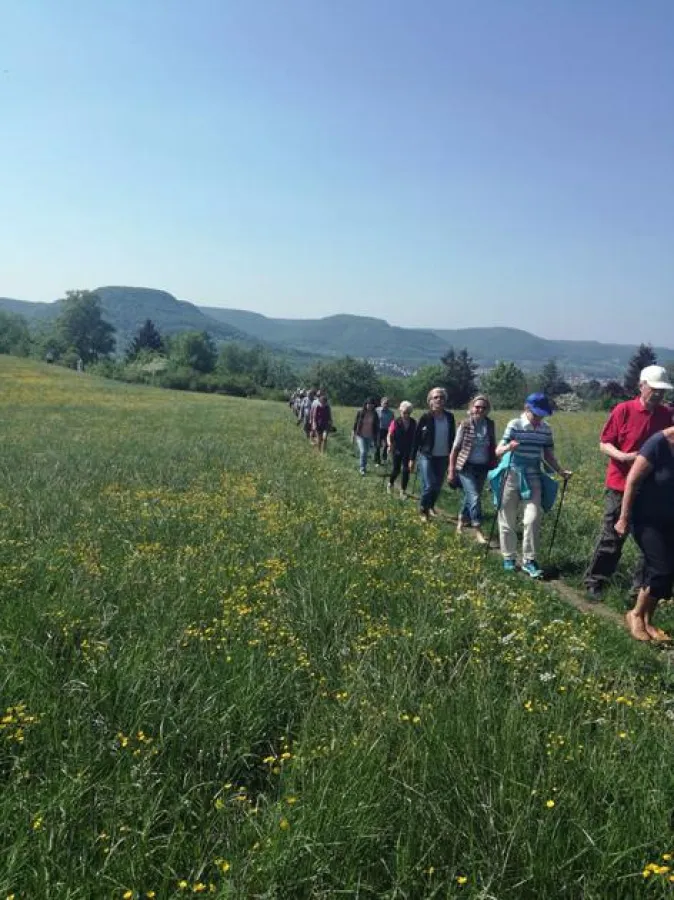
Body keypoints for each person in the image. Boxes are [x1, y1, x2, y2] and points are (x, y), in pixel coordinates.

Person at [583, 365, 673, 600]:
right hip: (620, 484)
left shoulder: (666, 415)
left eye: (662, 390)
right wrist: (622, 456)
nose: (658, 394)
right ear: (641, 386)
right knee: (613, 534)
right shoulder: (623, 410)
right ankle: (596, 580)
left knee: (650, 540)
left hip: (651, 487)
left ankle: (640, 590)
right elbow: (604, 443)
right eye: (654, 389)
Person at [494, 393, 571, 578]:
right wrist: (508, 447)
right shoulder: (515, 425)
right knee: (507, 518)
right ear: (526, 409)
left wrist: (560, 471)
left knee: (532, 518)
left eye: (542, 415)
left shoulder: (546, 429)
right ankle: (509, 557)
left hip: (534, 475)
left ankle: (529, 560)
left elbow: (548, 454)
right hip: (511, 474)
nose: (539, 418)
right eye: (536, 414)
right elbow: (498, 451)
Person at [615, 425, 674, 642]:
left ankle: (648, 620)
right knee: (660, 569)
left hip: (670, 520)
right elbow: (632, 481)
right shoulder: (657, 444)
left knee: (667, 572)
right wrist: (623, 518)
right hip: (645, 520)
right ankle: (636, 614)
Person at [448, 394, 497, 541]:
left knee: (470, 497)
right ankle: (477, 529)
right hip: (466, 467)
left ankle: (460, 522)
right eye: (477, 407)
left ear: (487, 409)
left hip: (483, 467)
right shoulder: (465, 424)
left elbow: (492, 445)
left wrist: (495, 463)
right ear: (471, 408)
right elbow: (455, 449)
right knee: (474, 497)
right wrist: (451, 471)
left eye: (483, 407)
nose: (480, 410)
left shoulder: (490, 424)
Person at [411, 387, 456, 521]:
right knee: (429, 485)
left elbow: (452, 437)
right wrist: (412, 459)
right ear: (430, 401)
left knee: (437, 486)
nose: (439, 399)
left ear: (445, 400)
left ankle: (431, 506)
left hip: (443, 457)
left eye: (441, 397)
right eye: (436, 397)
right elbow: (416, 439)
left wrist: (452, 457)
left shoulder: (449, 417)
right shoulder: (425, 417)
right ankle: (423, 509)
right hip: (427, 456)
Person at [386, 401, 417, 498]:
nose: (406, 415)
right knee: (396, 469)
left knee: (406, 470)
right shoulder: (395, 422)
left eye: (408, 413)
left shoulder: (413, 422)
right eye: (404, 412)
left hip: (408, 449)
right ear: (400, 411)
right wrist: (389, 444)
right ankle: (390, 484)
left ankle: (403, 491)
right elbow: (389, 435)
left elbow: (416, 436)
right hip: (397, 448)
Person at [352, 398, 380, 476]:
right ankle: (362, 469)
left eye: (372, 404)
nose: (370, 406)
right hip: (360, 435)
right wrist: (353, 434)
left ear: (374, 405)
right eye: (368, 404)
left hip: (370, 436)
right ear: (366, 404)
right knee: (363, 451)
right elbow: (355, 423)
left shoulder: (375, 414)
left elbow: (377, 426)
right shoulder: (360, 412)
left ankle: (364, 465)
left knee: (366, 452)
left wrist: (377, 437)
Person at [374, 397, 395, 465]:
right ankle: (377, 461)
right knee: (378, 446)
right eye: (385, 403)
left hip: (387, 431)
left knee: (387, 445)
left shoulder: (391, 413)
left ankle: (384, 458)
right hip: (379, 430)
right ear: (381, 403)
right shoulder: (377, 410)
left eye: (387, 403)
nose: (386, 405)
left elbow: (392, 423)